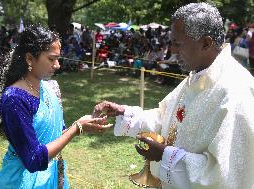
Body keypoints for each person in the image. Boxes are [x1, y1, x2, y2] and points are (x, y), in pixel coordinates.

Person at [93, 3, 254, 189]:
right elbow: (165, 118)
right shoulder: (199, 75)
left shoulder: (236, 90)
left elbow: (227, 175)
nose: (173, 51)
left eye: (178, 44)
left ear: (206, 43)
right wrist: (122, 111)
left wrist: (165, 156)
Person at [0, 25, 109, 188]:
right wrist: (76, 128)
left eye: (58, 58)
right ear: (29, 59)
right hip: (23, 181)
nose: (57, 65)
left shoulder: (50, 87)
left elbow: (55, 137)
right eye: (51, 59)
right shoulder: (14, 99)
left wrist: (84, 125)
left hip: (53, 175)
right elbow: (34, 159)